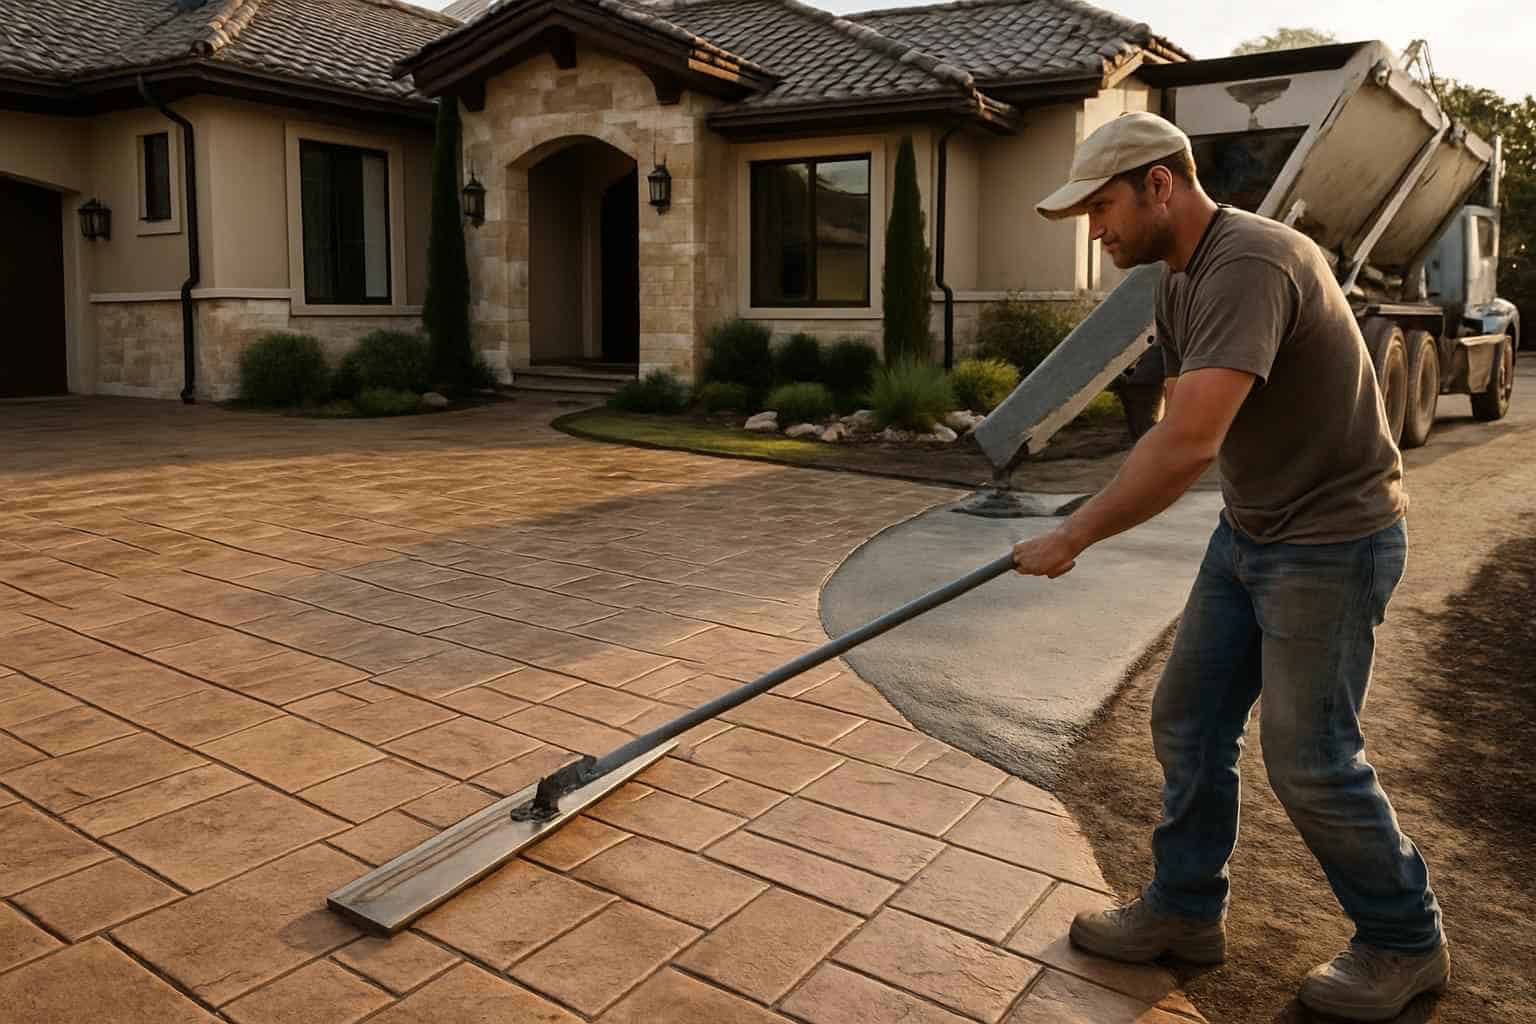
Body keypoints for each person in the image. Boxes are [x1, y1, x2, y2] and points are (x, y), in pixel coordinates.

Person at [1012, 111, 1448, 1021]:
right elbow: (1182, 422)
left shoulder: (1252, 262)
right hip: (1252, 532)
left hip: (1332, 540)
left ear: (1160, 185)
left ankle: (1405, 940)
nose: (1098, 232)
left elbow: (1188, 444)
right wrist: (1093, 503)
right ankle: (1184, 910)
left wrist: (1075, 534)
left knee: (1311, 758)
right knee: (1189, 719)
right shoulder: (1178, 282)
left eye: (1103, 208)